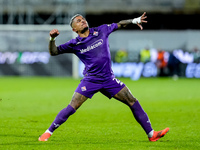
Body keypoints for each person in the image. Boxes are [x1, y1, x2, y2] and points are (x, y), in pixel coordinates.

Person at [39, 12, 169, 142]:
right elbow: (54, 52)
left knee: (132, 101)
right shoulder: (74, 44)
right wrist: (52, 39)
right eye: (78, 21)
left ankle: (152, 134)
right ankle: (47, 133)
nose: (82, 21)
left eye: (83, 19)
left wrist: (134, 20)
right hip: (91, 80)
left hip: (108, 79)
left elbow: (120, 24)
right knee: (72, 106)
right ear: (74, 29)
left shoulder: (101, 30)